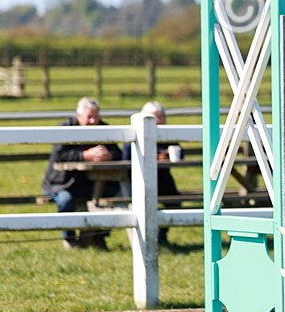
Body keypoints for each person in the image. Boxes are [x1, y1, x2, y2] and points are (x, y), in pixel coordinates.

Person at [42, 97, 122, 250]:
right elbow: (59, 156)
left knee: (111, 195)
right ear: (78, 116)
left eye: (96, 117)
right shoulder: (65, 128)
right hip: (62, 183)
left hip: (92, 182)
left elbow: (117, 152)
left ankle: (98, 237)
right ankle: (69, 238)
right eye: (89, 117)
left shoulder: (104, 128)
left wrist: (109, 155)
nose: (93, 121)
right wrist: (85, 155)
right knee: (66, 200)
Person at [122, 101, 181, 246]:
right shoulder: (134, 134)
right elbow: (127, 157)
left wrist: (167, 156)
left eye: (161, 117)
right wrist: (152, 156)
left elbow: (180, 151)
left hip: (163, 179)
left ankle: (161, 235)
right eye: (155, 117)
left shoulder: (168, 134)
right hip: (139, 179)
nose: (159, 120)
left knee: (175, 202)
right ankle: (148, 239)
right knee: (146, 204)